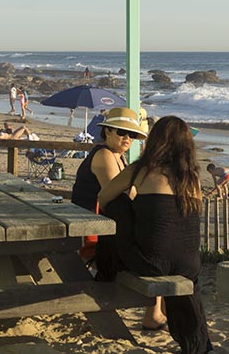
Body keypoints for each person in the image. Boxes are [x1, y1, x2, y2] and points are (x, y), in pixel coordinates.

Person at [98, 116, 212, 353]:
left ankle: (106, 269)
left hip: (150, 262)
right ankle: (197, 344)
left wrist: (134, 205)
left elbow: (104, 197)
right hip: (189, 265)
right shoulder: (193, 178)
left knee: (118, 205)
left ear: (155, 142)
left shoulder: (141, 169)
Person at [71, 108, 166, 330]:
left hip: (97, 226)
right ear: (107, 132)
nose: (127, 138)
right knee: (157, 250)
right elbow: (119, 196)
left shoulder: (116, 156)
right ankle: (153, 314)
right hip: (92, 232)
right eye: (121, 132)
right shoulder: (104, 155)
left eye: (131, 135)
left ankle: (156, 311)